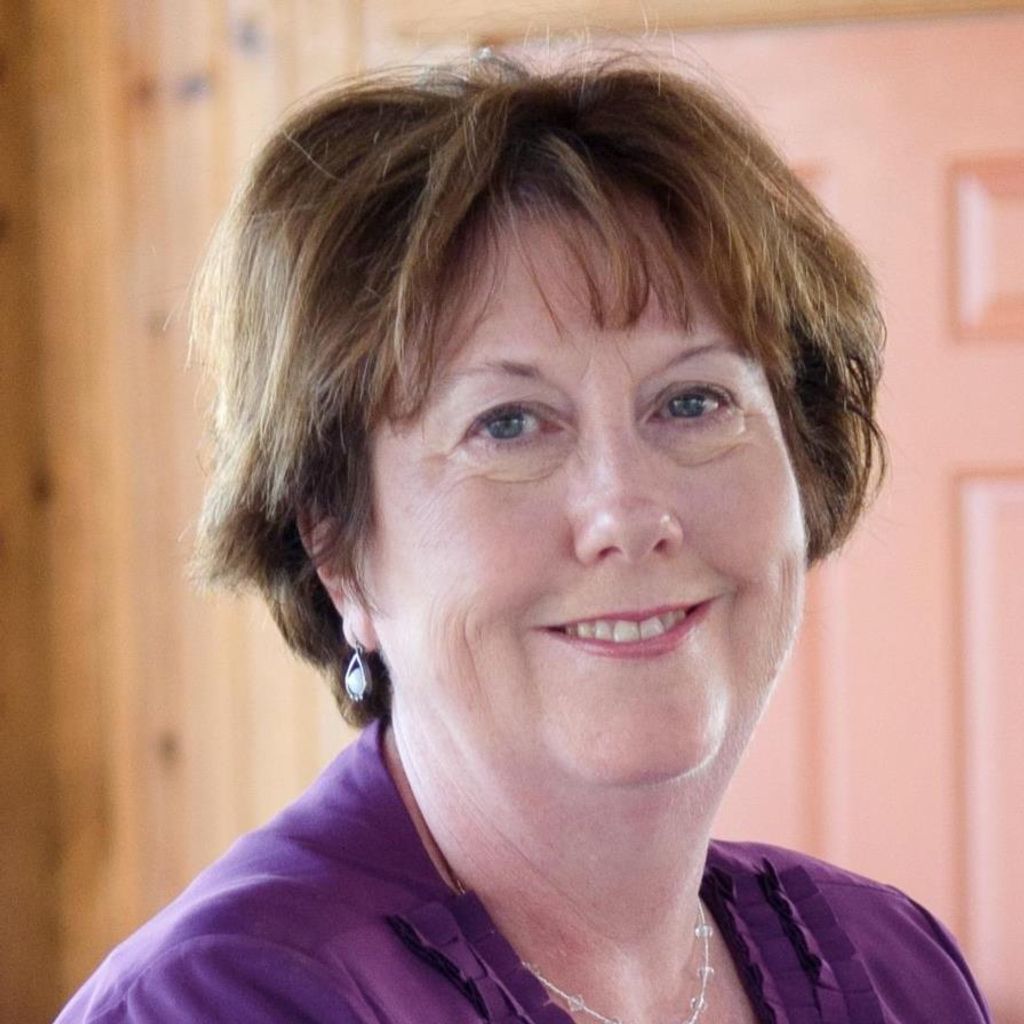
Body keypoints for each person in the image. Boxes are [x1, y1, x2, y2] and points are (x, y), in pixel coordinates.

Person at [57, 51, 991, 1024]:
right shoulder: (218, 1000)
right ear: (338, 554)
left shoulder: (894, 968)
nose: (628, 513)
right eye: (508, 424)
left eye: (693, 401)